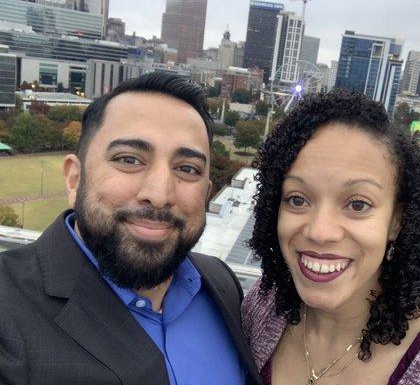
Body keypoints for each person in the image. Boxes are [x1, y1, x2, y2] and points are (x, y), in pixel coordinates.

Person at [0, 72, 261, 385]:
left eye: (187, 169)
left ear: (207, 194)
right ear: (74, 178)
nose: (160, 194)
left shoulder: (221, 284)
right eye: (129, 159)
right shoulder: (8, 315)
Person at [242, 91, 420, 384]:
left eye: (357, 204)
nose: (320, 232)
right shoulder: (263, 307)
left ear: (397, 220)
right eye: (297, 199)